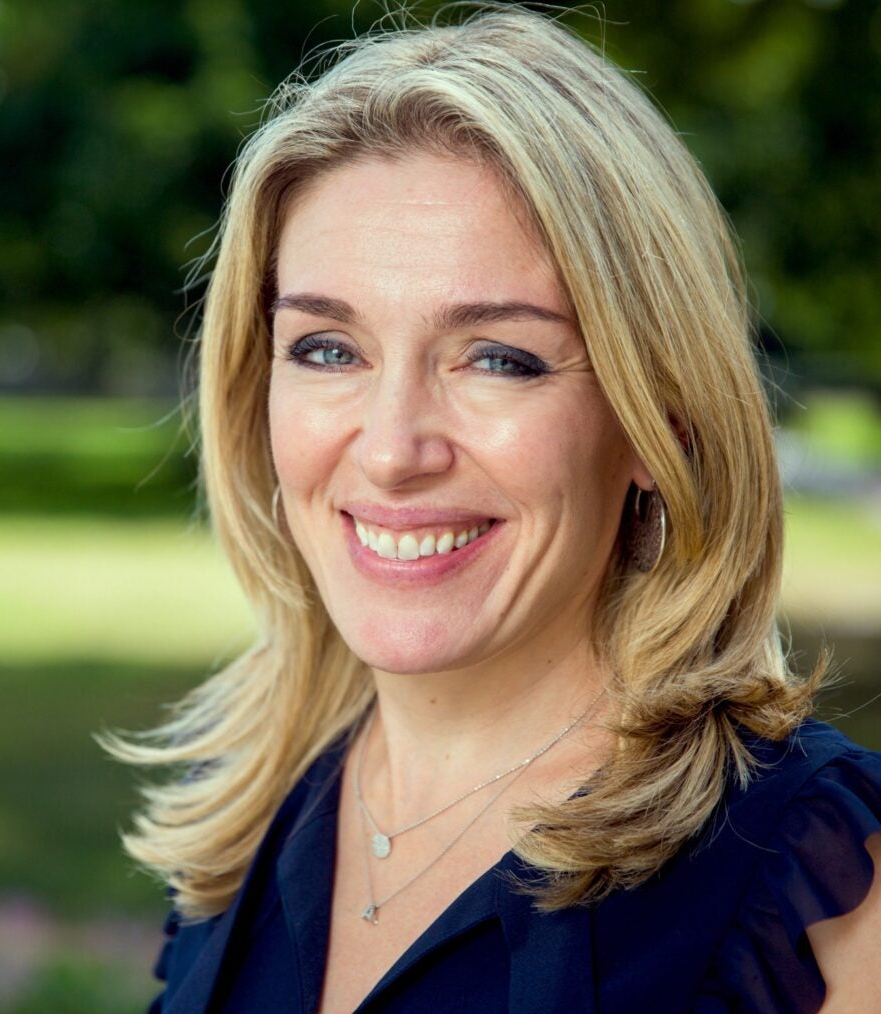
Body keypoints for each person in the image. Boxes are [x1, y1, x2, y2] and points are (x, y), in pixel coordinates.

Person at [111, 8, 881, 1012]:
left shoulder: (823, 884)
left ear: (664, 421)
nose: (392, 451)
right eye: (328, 349)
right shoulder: (247, 834)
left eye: (497, 359)